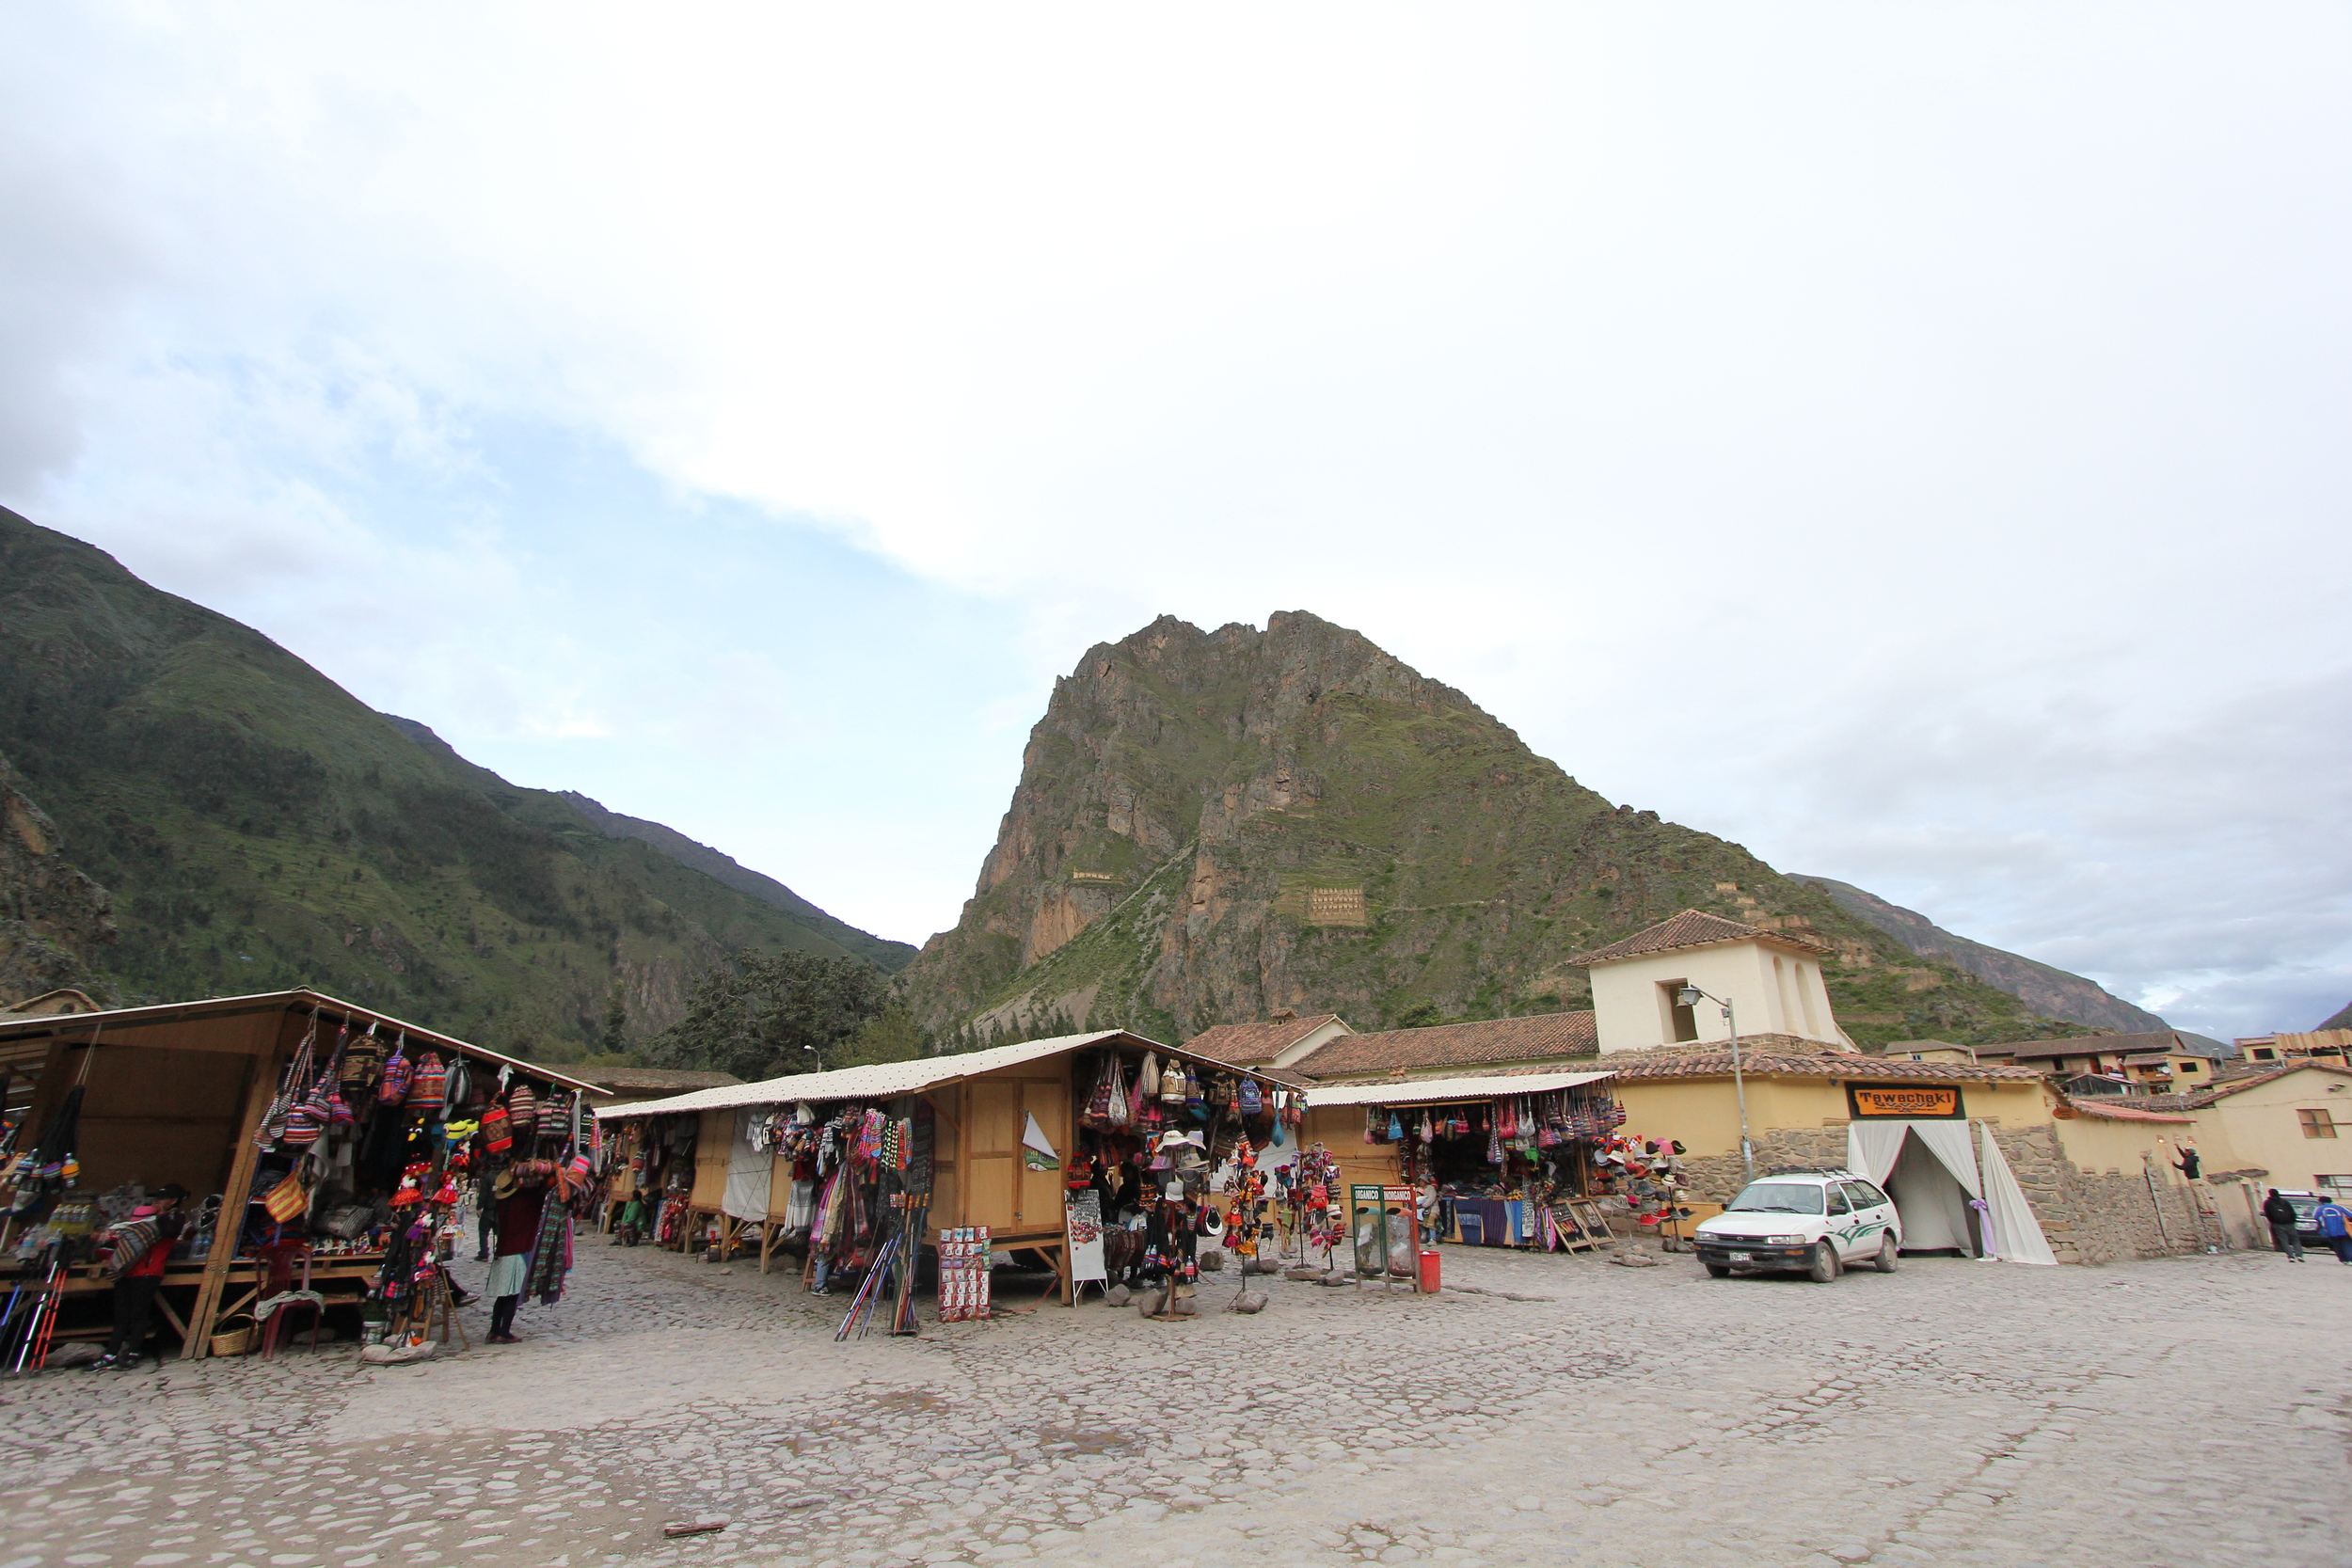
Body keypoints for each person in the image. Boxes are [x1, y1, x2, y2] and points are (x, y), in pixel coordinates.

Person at [90, 1183, 188, 1370]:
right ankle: (110, 1354)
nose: (157, 1202)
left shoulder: (174, 1219)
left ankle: (133, 1352)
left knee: (138, 1315)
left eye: (162, 1198)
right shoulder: (145, 1217)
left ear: (174, 1201)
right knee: (121, 1315)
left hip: (148, 1271)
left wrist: (159, 1216)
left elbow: (170, 1231)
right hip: (127, 1270)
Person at [2263, 1188, 2304, 1260]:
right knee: (2295, 1240)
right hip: (2289, 1223)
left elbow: (2268, 1214)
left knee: (2284, 1240)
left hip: (2278, 1224)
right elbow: (2292, 1212)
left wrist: (2273, 1222)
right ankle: (2299, 1255)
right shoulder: (2284, 1202)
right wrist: (2293, 1221)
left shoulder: (2268, 1203)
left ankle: (2290, 1256)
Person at [2313, 1195, 2352, 1264]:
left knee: (2337, 1245)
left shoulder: (2320, 1209)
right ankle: (2350, 1259)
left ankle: (2344, 1260)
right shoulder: (2339, 1207)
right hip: (2344, 1230)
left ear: (2321, 1202)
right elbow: (2350, 1215)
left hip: (2330, 1231)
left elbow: (2316, 1217)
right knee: (2347, 1245)